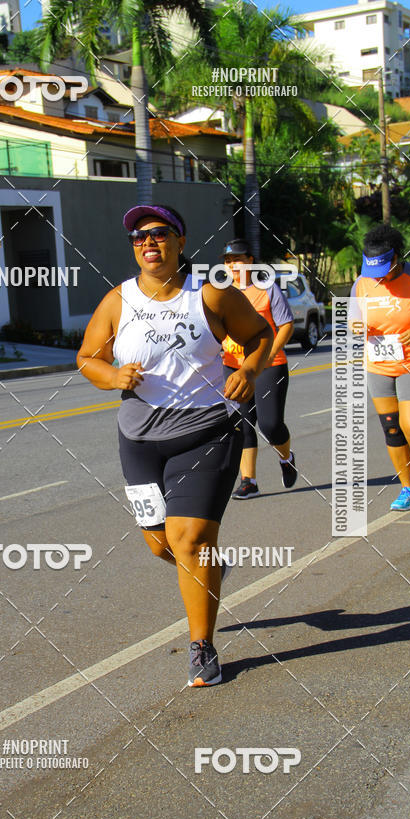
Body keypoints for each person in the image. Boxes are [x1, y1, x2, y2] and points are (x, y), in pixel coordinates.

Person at [76, 205, 273, 686]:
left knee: (190, 539)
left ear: (181, 242)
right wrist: (111, 375)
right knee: (160, 544)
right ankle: (211, 570)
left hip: (205, 433)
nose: (149, 242)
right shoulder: (117, 301)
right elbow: (86, 358)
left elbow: (260, 335)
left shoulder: (210, 295)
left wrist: (248, 369)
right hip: (139, 440)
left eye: (160, 234)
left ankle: (202, 646)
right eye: (139, 236)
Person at [351, 223, 410, 510]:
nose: (381, 277)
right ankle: (407, 488)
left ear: (397, 257)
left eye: (385, 269)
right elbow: (352, 321)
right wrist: (359, 328)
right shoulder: (361, 283)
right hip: (378, 364)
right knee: (392, 428)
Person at [220, 239, 297, 499]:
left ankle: (286, 458)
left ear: (250, 261)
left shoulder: (267, 289)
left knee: (270, 424)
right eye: (229, 261)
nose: (233, 265)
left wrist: (270, 353)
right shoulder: (221, 292)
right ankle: (248, 481)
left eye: (238, 259)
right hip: (233, 367)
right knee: (241, 424)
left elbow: (286, 324)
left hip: (269, 367)